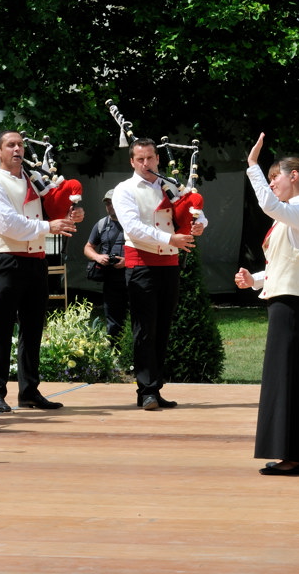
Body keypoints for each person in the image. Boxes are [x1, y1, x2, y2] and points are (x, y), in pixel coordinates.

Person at [235, 133, 299, 475]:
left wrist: (252, 166)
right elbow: (283, 265)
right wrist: (255, 280)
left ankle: (293, 456)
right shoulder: (293, 216)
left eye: (276, 176)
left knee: (288, 379)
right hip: (286, 305)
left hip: (292, 308)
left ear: (294, 177)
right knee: (286, 379)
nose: (272, 183)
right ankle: (292, 453)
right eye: (269, 177)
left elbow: (268, 204)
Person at [0, 130, 84, 413]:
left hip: (36, 260)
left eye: (20, 145)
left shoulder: (33, 181)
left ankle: (29, 391)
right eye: (10, 145)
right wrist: (50, 226)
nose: (17, 149)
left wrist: (72, 214)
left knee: (33, 328)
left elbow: (50, 211)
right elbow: (8, 224)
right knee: (0, 328)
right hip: (8, 260)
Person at [111, 137, 207, 410]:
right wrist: (170, 239)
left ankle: (154, 388)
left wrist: (199, 225)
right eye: (139, 159)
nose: (145, 164)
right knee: (144, 329)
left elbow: (195, 213)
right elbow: (132, 228)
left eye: (150, 158)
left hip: (169, 264)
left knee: (162, 328)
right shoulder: (124, 189)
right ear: (132, 161)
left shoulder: (171, 186)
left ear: (157, 159)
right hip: (141, 264)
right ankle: (147, 388)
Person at [83, 189, 128, 343]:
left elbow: (146, 249)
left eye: (113, 202)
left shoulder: (132, 222)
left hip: (132, 275)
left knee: (134, 315)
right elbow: (88, 247)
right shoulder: (102, 224)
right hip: (110, 277)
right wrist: (97, 257)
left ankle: (132, 353)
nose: (110, 206)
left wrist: (127, 261)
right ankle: (114, 351)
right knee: (112, 316)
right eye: (108, 203)